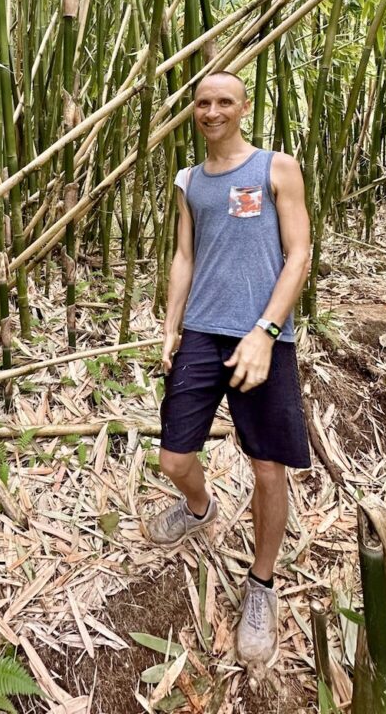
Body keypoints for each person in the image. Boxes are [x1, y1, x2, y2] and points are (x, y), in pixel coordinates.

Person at [146, 70, 311, 668]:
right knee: (173, 459)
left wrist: (267, 332)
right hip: (202, 331)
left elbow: (300, 254)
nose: (212, 111)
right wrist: (170, 328)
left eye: (224, 102)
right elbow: (185, 255)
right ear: (193, 110)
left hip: (263, 334)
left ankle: (261, 586)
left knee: (267, 467)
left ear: (243, 107)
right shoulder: (189, 180)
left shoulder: (276, 168)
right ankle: (200, 510)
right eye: (202, 102)